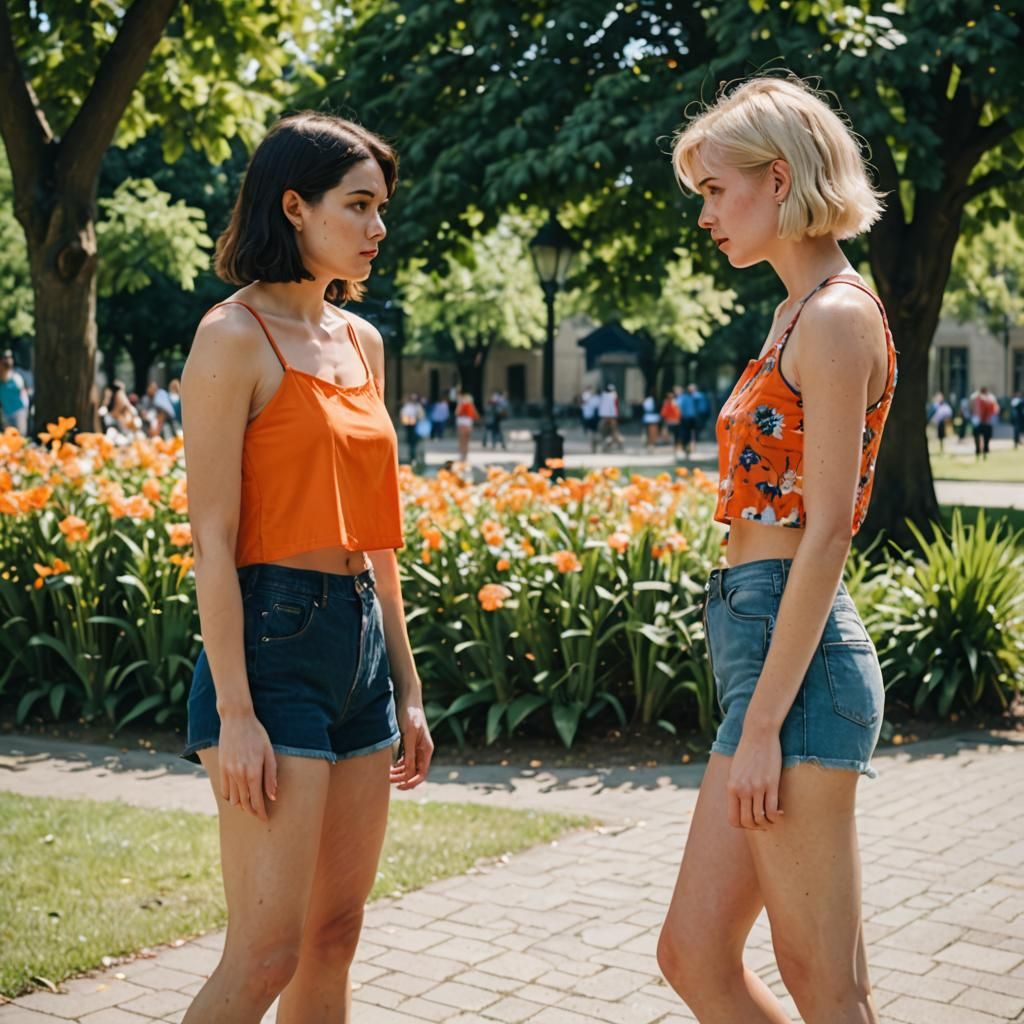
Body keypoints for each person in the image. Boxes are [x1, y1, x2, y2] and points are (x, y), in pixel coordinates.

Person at [177, 111, 433, 1024]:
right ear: (295, 206)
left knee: (333, 939)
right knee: (263, 957)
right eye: (358, 206)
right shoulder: (231, 337)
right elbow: (211, 538)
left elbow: (377, 532)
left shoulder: (361, 341)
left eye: (381, 209)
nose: (377, 228)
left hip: (359, 640)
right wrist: (236, 713)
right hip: (269, 642)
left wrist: (405, 684)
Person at [658, 75, 895, 1024]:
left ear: (782, 177)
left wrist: (763, 724)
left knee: (822, 981)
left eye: (717, 191)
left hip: (795, 663)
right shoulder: (794, 311)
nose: (707, 215)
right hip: (759, 643)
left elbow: (829, 527)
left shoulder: (837, 315)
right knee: (692, 953)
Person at [0, 349, 29, 435]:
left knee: (21, 436)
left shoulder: (16, 378)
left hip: (19, 411)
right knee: (8, 438)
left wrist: (25, 410)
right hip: (6, 412)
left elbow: (24, 394)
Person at [970, 385, 1000, 459]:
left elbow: (995, 408)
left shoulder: (990, 398)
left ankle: (984, 451)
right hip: (979, 420)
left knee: (986, 438)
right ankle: (978, 451)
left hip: (987, 420)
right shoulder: (975, 397)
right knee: (978, 437)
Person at [399, 392, 425, 464]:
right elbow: (402, 416)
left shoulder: (418, 407)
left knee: (415, 444)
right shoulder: (406, 406)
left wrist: (416, 418)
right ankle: (412, 458)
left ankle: (415, 458)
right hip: (409, 427)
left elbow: (421, 416)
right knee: (411, 444)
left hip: (416, 427)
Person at [597, 382, 623, 451]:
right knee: (614, 431)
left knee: (603, 432)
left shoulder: (603, 395)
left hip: (604, 416)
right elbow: (616, 406)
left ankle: (605, 445)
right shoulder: (614, 395)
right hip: (612, 416)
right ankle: (619, 444)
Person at [455, 390, 479, 462]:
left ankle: (462, 455)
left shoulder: (461, 405)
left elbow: (456, 413)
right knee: (467, 441)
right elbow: (476, 415)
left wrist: (459, 404)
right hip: (468, 425)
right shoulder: (471, 406)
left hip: (462, 425)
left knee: (461, 441)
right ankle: (465, 455)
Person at [676, 384, 697, 457]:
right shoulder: (689, 397)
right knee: (689, 433)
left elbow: (678, 406)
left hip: (687, 418)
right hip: (689, 418)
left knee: (686, 433)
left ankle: (687, 447)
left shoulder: (684, 397)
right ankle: (687, 447)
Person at [581, 386, 601, 450]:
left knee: (592, 432)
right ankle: (593, 444)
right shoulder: (595, 398)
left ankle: (593, 444)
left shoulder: (593, 398)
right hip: (593, 417)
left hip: (590, 417)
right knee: (594, 432)